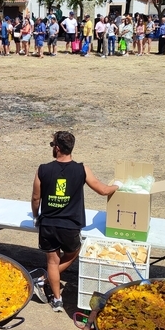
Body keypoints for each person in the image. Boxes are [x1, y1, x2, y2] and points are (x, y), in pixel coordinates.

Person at [30, 131, 119, 311]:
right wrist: (118, 186)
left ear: (57, 148)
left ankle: (56, 300)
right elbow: (103, 190)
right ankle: (42, 281)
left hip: (48, 224)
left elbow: (35, 198)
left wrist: (36, 216)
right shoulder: (82, 169)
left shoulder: (43, 169)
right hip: (70, 226)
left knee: (52, 262)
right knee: (73, 253)